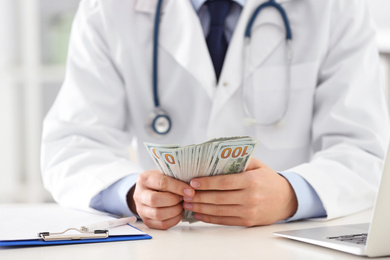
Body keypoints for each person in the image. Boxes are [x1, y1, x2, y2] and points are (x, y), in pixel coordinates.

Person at [41, 0, 390, 230]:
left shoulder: (338, 6)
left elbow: (365, 152)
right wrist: (133, 194)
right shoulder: (110, 9)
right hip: (166, 245)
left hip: (287, 241)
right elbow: (72, 145)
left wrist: (291, 195)